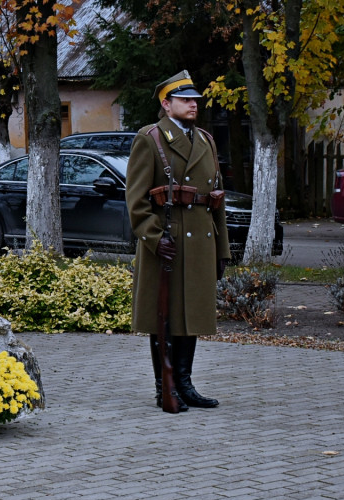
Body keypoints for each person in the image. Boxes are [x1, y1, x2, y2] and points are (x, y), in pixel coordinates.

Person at [125, 70, 230, 412]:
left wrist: (222, 249)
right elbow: (136, 201)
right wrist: (154, 238)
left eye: (195, 100)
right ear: (166, 104)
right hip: (166, 244)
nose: (193, 105)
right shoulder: (150, 139)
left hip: (199, 242)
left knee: (192, 315)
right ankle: (164, 387)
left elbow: (216, 200)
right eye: (185, 100)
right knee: (165, 317)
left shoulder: (205, 140)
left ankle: (184, 384)